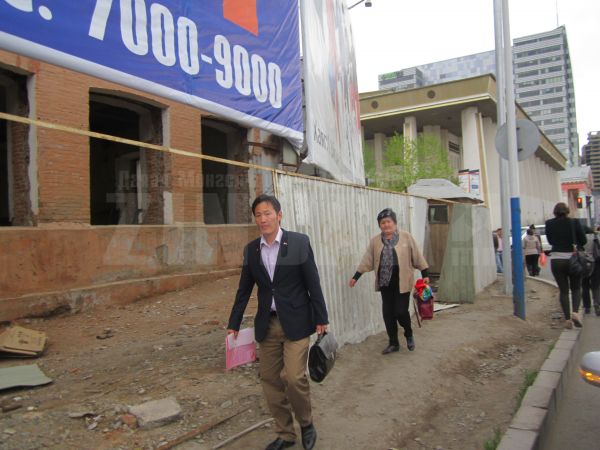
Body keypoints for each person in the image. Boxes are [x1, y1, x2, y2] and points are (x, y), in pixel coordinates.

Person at [226, 194, 328, 450]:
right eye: (258, 215)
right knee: (269, 380)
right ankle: (285, 434)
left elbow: (312, 282)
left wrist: (321, 317)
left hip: (297, 321)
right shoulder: (252, 250)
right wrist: (234, 322)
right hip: (268, 324)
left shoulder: (299, 242)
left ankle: (306, 423)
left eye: (268, 213)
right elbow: (244, 290)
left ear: (279, 215)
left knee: (293, 378)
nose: (263, 219)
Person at [349, 208, 429, 354]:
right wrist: (356, 277)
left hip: (402, 282)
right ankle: (393, 343)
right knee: (388, 314)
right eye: (382, 223)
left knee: (401, 312)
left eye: (388, 222)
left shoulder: (406, 237)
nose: (386, 225)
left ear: (395, 223)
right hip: (385, 284)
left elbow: (417, 256)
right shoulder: (375, 241)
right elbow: (367, 260)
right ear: (379, 225)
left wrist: (425, 273)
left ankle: (408, 333)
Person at [545, 202, 587, 329]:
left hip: (557, 260)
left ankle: (567, 319)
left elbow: (550, 241)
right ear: (567, 211)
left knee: (563, 290)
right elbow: (584, 240)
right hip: (573, 259)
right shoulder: (574, 222)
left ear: (555, 212)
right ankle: (575, 312)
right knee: (576, 288)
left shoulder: (549, 223)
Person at [581, 226, 600, 316]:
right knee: (595, 286)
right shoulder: (595, 237)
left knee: (584, 286)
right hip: (595, 264)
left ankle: (587, 307)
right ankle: (597, 304)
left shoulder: (579, 239)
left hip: (583, 264)